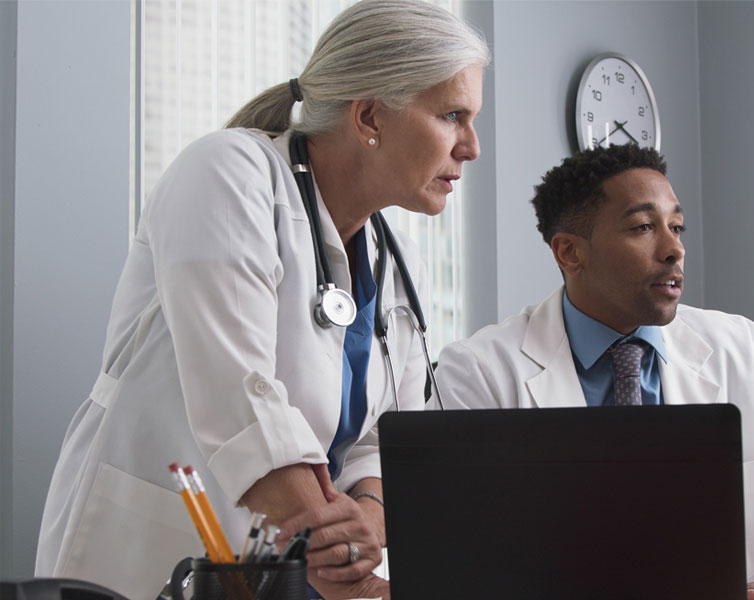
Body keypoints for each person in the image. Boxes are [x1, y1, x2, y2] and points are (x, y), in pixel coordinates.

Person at [35, 1, 488, 598]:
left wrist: (369, 522)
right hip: (162, 556)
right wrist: (349, 571)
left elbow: (384, 436)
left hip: (292, 570)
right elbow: (241, 399)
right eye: (453, 115)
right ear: (370, 114)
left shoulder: (396, 259)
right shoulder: (229, 175)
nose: (472, 147)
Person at [433, 144, 754, 599]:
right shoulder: (481, 371)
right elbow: (462, 549)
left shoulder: (736, 347)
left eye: (676, 227)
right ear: (569, 252)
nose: (673, 249)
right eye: (643, 227)